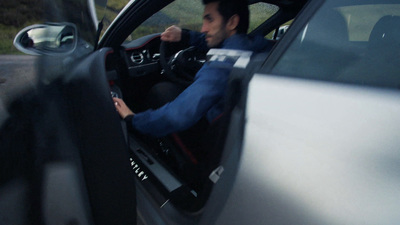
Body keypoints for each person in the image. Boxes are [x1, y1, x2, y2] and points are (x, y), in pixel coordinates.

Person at [113, 0, 273, 139]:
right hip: (241, 125)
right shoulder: (256, 44)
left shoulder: (226, 62)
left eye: (209, 20)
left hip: (216, 135)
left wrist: (133, 119)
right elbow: (217, 40)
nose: (203, 28)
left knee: (160, 91)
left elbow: (180, 114)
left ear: (232, 22)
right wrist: (186, 36)